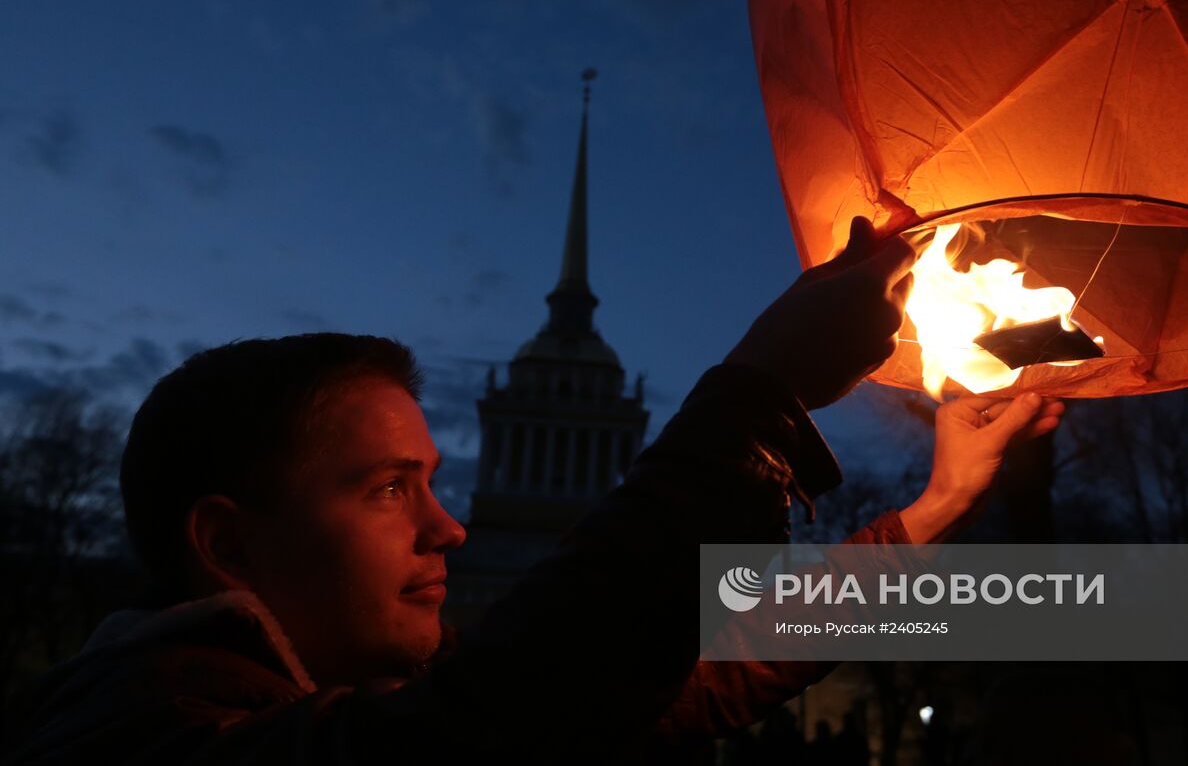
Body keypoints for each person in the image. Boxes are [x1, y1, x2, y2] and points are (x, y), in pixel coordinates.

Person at [4, 218, 1062, 764]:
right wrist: (756, 392)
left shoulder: (337, 708)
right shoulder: (136, 748)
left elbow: (676, 679)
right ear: (229, 547)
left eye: (428, 480)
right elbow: (518, 708)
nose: (447, 524)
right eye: (385, 489)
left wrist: (926, 513)